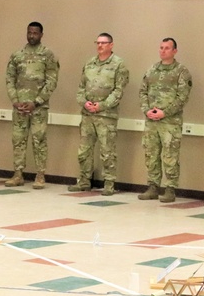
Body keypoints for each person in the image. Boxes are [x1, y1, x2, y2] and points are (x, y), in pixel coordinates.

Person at [72, 32, 128, 196]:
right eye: (98, 42)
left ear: (111, 45)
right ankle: (83, 181)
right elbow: (81, 88)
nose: (100, 45)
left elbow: (118, 91)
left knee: (107, 151)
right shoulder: (89, 63)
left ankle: (109, 184)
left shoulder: (119, 65)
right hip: (88, 114)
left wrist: (101, 106)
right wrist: (85, 103)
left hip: (106, 116)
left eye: (104, 43)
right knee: (84, 150)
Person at [5, 21, 59, 189]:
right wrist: (15, 101)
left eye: (35, 33)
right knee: (18, 140)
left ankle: (40, 175)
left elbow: (51, 82)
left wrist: (36, 102)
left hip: (38, 107)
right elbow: (9, 79)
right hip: (20, 107)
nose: (31, 36)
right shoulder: (17, 55)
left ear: (41, 35)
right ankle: (18, 174)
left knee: (39, 140)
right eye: (29, 32)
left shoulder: (48, 55)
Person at [138, 38, 191, 203]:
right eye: (161, 47)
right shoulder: (152, 69)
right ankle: (152, 187)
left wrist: (165, 112)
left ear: (175, 51)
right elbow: (142, 92)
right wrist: (147, 110)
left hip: (170, 122)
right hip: (151, 120)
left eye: (167, 48)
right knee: (151, 154)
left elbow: (182, 97)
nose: (163, 51)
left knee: (170, 156)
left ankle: (170, 188)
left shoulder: (181, 71)